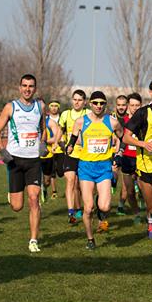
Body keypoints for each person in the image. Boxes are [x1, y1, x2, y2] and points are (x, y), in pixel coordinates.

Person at [0, 74, 60, 253]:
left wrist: (43, 143)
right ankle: (13, 193)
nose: (27, 89)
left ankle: (33, 240)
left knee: (34, 199)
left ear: (35, 88)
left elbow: (43, 129)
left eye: (31, 86)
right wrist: (2, 151)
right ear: (19, 87)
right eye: (24, 86)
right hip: (14, 160)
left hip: (33, 161)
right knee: (17, 206)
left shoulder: (40, 106)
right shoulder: (11, 107)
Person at [68, 91, 121, 250]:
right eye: (95, 103)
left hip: (104, 167)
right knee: (88, 207)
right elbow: (73, 138)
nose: (98, 106)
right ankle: (90, 239)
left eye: (102, 103)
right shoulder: (80, 121)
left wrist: (118, 153)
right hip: (86, 167)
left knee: (104, 207)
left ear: (105, 104)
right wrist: (69, 147)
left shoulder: (112, 122)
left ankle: (101, 211)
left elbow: (122, 137)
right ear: (90, 104)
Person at [122, 79, 152, 247]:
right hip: (145, 165)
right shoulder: (142, 113)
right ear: (151, 92)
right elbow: (126, 138)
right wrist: (143, 144)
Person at [59, 90, 87, 223]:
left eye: (80, 100)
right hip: (70, 154)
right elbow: (59, 131)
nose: (77, 102)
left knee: (81, 185)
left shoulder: (88, 114)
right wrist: (60, 143)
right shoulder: (65, 114)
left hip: (85, 155)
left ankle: (83, 208)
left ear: (84, 102)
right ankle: (71, 212)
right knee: (70, 180)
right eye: (75, 99)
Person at [116, 92, 142, 218]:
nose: (135, 108)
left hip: (142, 158)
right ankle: (137, 214)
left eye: (137, 105)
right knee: (129, 191)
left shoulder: (145, 121)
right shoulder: (123, 122)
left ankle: (150, 217)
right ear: (128, 106)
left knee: (143, 188)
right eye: (132, 105)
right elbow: (119, 140)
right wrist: (118, 153)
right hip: (127, 158)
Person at [40, 100, 63, 201]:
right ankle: (36, 196)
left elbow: (57, 136)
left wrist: (45, 141)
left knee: (47, 181)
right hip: (34, 155)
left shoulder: (50, 122)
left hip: (48, 154)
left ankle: (44, 188)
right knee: (33, 179)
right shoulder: (30, 120)